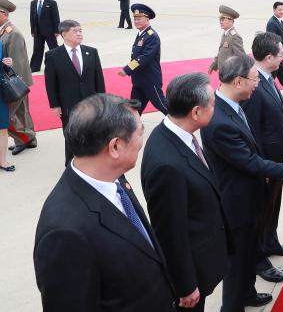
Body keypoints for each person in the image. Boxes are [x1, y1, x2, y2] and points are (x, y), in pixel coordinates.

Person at [33, 94, 176, 312]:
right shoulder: (64, 234)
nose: (142, 141)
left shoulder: (113, 176)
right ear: (115, 147)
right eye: (140, 133)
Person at [200, 55, 283, 312]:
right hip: (238, 203)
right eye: (254, 80)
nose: (257, 85)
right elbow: (248, 162)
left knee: (247, 258)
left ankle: (247, 294)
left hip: (248, 197)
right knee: (238, 264)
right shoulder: (220, 121)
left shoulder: (230, 105)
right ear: (238, 81)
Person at [141, 73, 230, 312]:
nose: (216, 108)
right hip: (192, 276)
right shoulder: (166, 165)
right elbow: (169, 233)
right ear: (196, 112)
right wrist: (185, 284)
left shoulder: (177, 136)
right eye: (212, 104)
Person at [242, 32, 283, 283]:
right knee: (262, 210)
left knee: (273, 206)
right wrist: (262, 168)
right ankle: (258, 257)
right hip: (267, 163)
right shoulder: (254, 85)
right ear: (268, 57)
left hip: (277, 161)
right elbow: (253, 132)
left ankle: (271, 241)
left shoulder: (267, 78)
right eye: (280, 53)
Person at [44, 20, 105, 166]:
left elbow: (99, 79)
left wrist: (103, 101)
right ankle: (71, 165)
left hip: (91, 104)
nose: (79, 34)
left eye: (80, 30)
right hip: (68, 104)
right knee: (71, 135)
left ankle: (91, 162)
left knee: (92, 133)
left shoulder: (91, 52)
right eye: (75, 31)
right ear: (64, 34)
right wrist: (55, 105)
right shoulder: (53, 55)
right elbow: (50, 83)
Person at [0, 0, 36, 156]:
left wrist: (16, 84)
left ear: (3, 14)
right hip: (14, 80)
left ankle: (25, 139)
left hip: (13, 81)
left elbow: (18, 60)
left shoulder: (12, 33)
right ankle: (30, 140)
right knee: (22, 111)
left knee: (7, 115)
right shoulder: (4, 31)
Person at [118, 3, 168, 115]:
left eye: (139, 19)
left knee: (163, 106)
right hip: (138, 80)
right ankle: (131, 131)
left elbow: (144, 57)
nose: (136, 21)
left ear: (147, 19)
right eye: (135, 19)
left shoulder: (152, 36)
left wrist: (127, 69)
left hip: (150, 80)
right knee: (134, 110)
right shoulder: (142, 34)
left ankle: (180, 125)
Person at [0, 0, 17, 172]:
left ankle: (2, 160)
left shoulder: (1, 42)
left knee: (2, 128)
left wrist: (8, 63)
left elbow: (6, 65)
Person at [29, 0, 60, 72]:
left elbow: (56, 17)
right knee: (37, 50)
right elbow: (32, 18)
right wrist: (32, 30)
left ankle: (58, 66)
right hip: (37, 32)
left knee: (53, 49)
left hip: (49, 31)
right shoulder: (33, 3)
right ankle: (34, 67)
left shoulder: (51, 3)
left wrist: (56, 30)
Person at [208, 5, 245, 74]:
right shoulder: (225, 34)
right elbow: (221, 52)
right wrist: (214, 64)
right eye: (220, 20)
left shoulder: (234, 36)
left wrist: (235, 73)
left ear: (231, 20)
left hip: (230, 73)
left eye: (223, 20)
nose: (221, 22)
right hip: (224, 72)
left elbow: (241, 57)